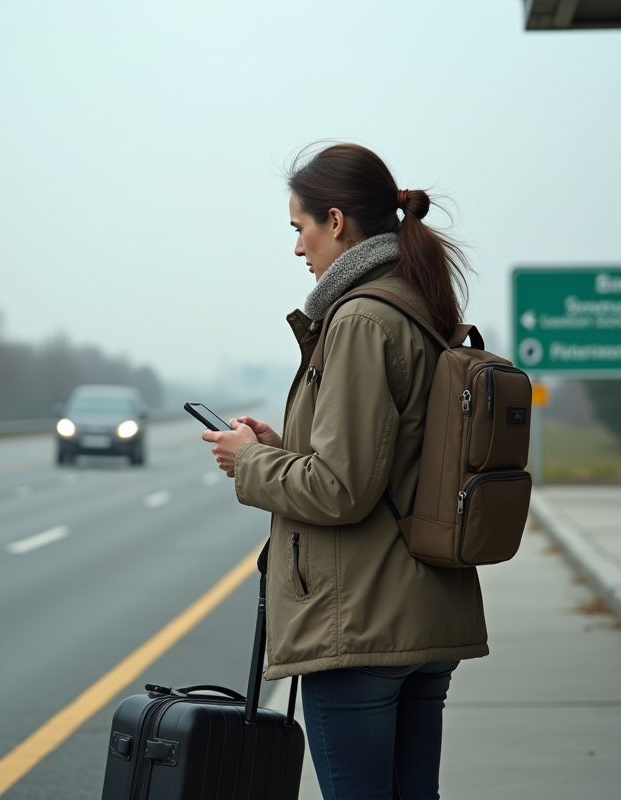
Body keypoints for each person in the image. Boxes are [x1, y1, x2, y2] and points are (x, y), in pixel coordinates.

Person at [201, 143, 488, 800]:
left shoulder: (360, 319)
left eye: (299, 228)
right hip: (422, 615)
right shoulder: (416, 304)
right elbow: (388, 459)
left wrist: (249, 463)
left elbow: (341, 489)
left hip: (360, 623)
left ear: (336, 221)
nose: (297, 248)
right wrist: (278, 447)